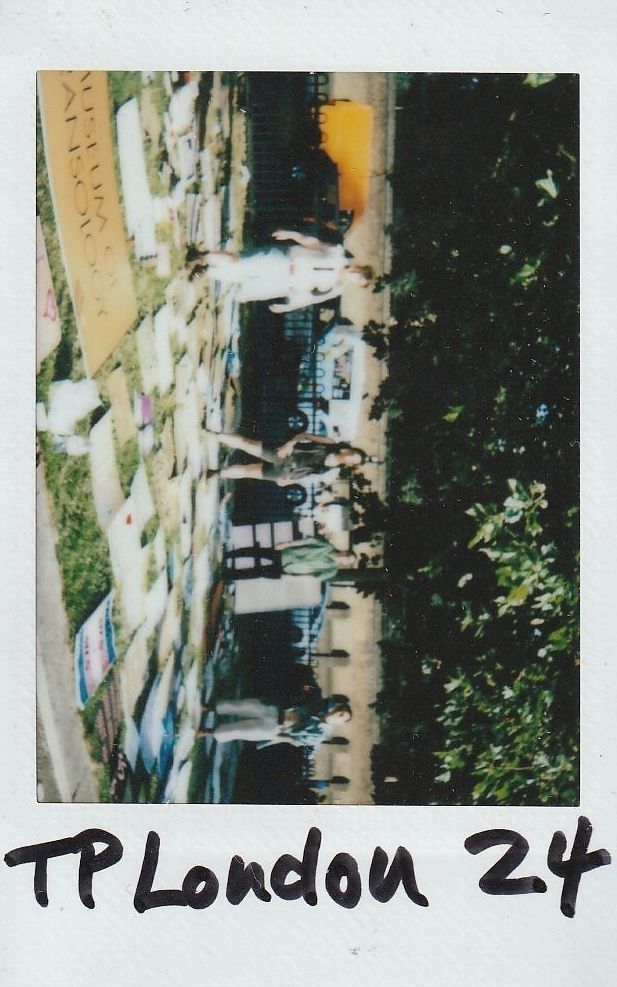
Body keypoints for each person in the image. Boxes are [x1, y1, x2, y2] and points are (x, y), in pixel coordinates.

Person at [188, 229, 373, 311]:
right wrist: (291, 234)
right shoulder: (337, 253)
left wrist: (289, 306)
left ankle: (207, 271)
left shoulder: (336, 288)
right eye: (359, 272)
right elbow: (313, 243)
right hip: (282, 261)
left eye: (359, 280)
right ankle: (203, 257)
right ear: (358, 267)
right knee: (240, 263)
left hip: (283, 284)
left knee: (240, 286)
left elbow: (311, 298)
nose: (355, 275)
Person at [205, 428, 367, 485]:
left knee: (248, 471)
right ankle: (213, 435)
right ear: (349, 450)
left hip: (286, 473)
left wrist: (288, 482)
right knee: (247, 444)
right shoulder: (331, 443)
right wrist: (290, 444)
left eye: (353, 461)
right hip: (285, 454)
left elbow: (309, 478)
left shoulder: (333, 472)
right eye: (353, 455)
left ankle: (216, 474)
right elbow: (304, 435)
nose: (350, 458)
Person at [198, 694, 352, 747]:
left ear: (340, 723)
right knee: (242, 706)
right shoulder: (319, 704)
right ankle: (209, 708)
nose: (337, 714)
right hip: (275, 709)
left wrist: (275, 738)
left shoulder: (320, 733)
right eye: (340, 711)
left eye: (341, 717)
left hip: (276, 728)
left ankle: (208, 732)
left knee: (240, 730)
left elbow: (296, 740)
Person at [225, 533, 355, 581]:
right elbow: (307, 541)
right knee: (256, 552)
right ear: (345, 552)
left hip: (290, 571)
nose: (345, 559)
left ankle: (229, 575)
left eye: (347, 561)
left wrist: (292, 578)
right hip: (287, 554)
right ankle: (228, 555)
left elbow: (313, 577)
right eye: (347, 556)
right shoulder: (327, 546)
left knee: (257, 573)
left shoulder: (331, 570)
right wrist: (287, 544)